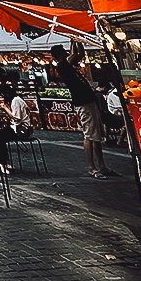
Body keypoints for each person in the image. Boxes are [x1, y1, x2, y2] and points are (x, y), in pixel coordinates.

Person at [51, 43, 118, 179]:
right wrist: (73, 38)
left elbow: (79, 53)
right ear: (59, 55)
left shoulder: (69, 65)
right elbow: (75, 54)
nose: (66, 52)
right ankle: (92, 167)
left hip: (89, 101)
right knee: (89, 135)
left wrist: (76, 41)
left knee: (96, 135)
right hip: (83, 103)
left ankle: (102, 165)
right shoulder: (63, 66)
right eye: (63, 51)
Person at [0, 82, 32, 174]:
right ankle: (5, 161)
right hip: (18, 128)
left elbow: (16, 118)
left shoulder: (16, 101)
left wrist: (5, 108)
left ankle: (2, 162)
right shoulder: (17, 100)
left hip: (19, 130)